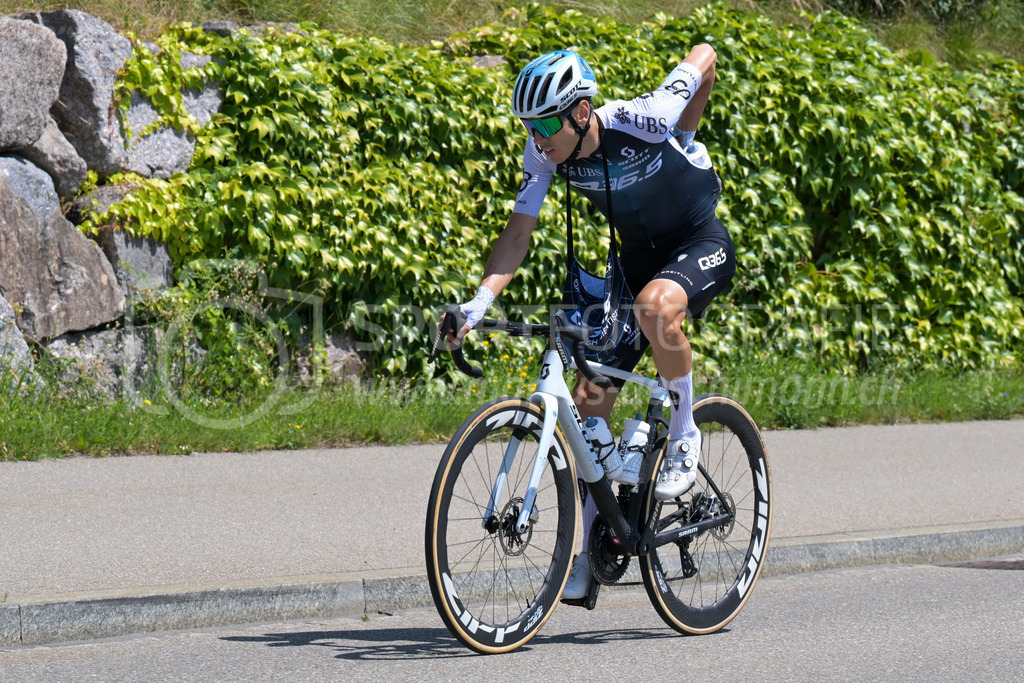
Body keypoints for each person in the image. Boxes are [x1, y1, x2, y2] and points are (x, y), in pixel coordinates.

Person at [448, 46, 736, 600]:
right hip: (635, 261)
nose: (537, 138)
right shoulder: (546, 155)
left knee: (656, 307)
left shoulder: (645, 118)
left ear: (582, 112)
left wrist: (686, 132)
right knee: (586, 403)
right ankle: (593, 550)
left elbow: (706, 56)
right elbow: (518, 232)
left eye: (545, 124)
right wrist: (477, 304)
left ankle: (683, 433)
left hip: (698, 241)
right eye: (528, 126)